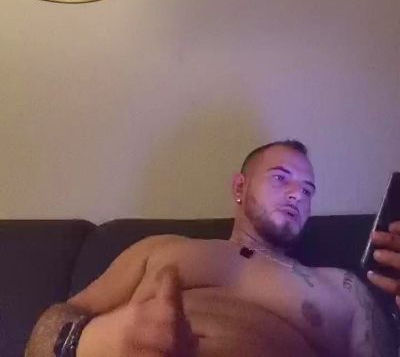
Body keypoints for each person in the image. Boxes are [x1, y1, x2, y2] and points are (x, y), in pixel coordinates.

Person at [25, 140, 400, 357]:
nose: (296, 195)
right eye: (281, 179)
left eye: (307, 190)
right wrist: (93, 339)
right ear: (239, 188)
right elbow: (52, 324)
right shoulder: (161, 249)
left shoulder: (342, 288)